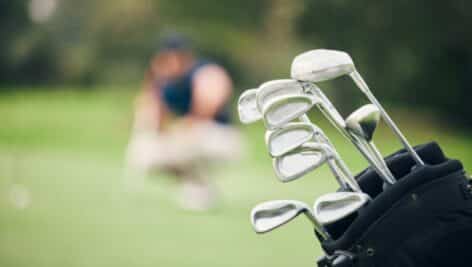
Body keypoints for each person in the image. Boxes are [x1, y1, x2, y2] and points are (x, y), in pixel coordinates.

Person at [126, 34, 241, 210]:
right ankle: (199, 187)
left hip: (221, 138)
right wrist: (154, 86)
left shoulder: (206, 72)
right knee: (147, 156)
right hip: (191, 137)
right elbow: (157, 126)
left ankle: (198, 187)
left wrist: (179, 128)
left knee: (189, 140)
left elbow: (205, 111)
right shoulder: (166, 84)